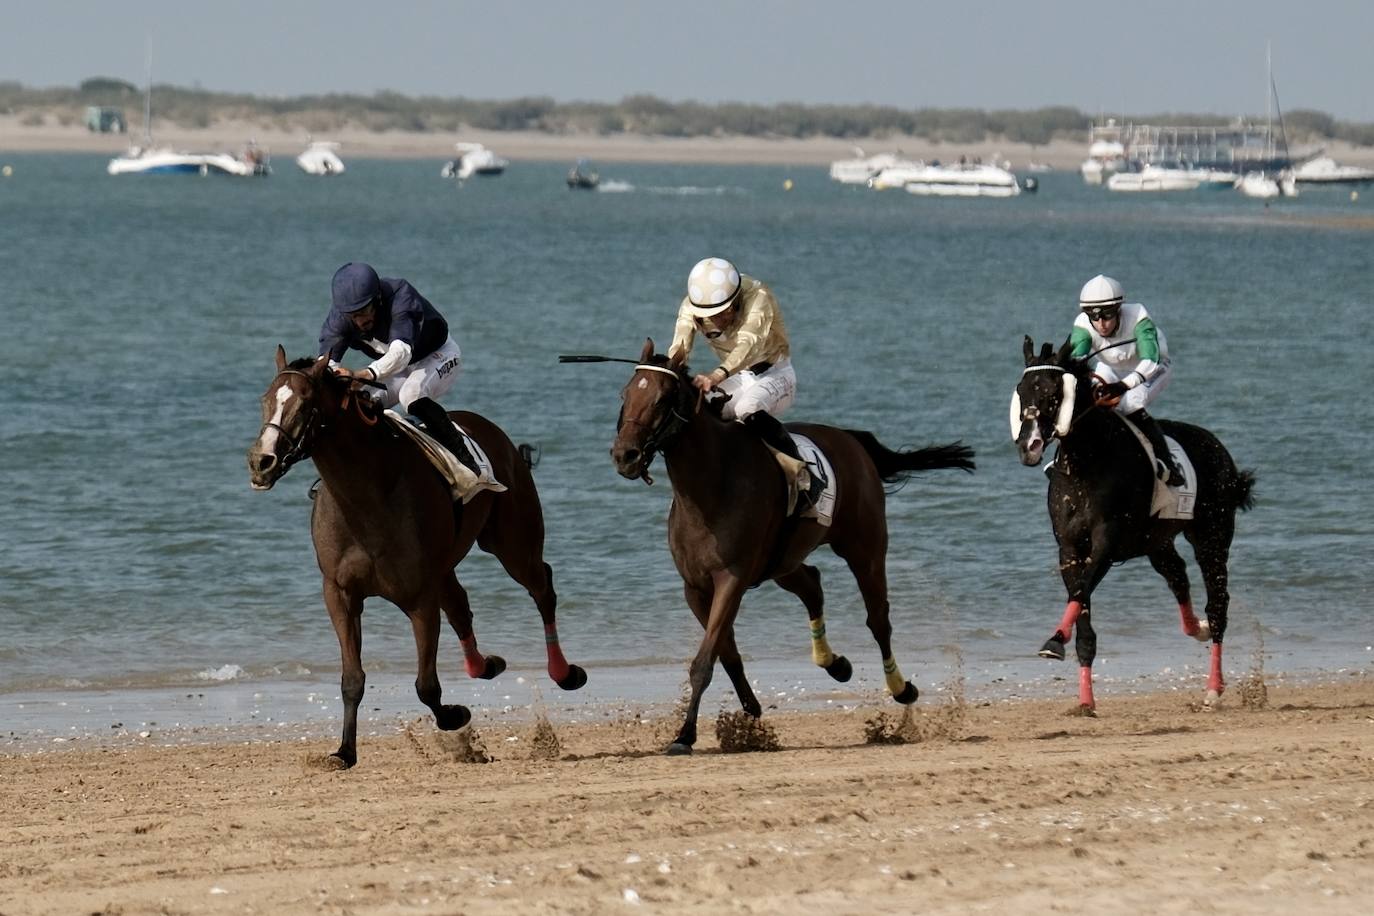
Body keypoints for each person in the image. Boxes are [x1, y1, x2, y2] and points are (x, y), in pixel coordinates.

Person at [666, 257, 821, 506]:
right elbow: (680, 345)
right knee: (698, 406)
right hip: (742, 377)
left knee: (746, 408)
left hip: (777, 373)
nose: (714, 321)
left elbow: (748, 345)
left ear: (735, 300)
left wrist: (716, 375)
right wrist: (668, 371)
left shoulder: (759, 297)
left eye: (720, 314)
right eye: (709, 316)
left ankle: (805, 478)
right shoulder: (692, 306)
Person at [318, 262, 478, 473]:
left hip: (438, 354)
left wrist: (362, 374)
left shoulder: (400, 295)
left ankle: (466, 460)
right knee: (359, 403)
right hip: (396, 368)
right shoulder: (340, 318)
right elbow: (325, 366)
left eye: (364, 311)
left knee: (410, 395)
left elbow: (401, 353)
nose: (359, 321)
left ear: (378, 300)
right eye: (352, 315)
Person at [1070, 274, 1183, 485]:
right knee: (1092, 403)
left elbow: (1151, 359)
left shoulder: (1139, 316)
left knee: (1131, 404)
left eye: (1107, 315)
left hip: (1153, 367)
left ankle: (1167, 464)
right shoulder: (1083, 325)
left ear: (1119, 309)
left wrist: (1123, 386)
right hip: (1111, 368)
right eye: (1095, 317)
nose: (1101, 324)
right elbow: (1076, 360)